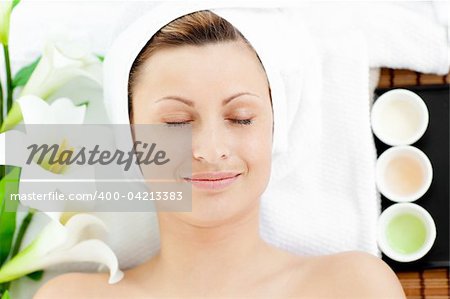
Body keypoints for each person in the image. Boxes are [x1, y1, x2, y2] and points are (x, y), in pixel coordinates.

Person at [35, 10, 406, 298]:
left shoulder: (351, 287)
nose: (210, 151)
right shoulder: (69, 295)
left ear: (274, 130)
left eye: (241, 119)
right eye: (177, 122)